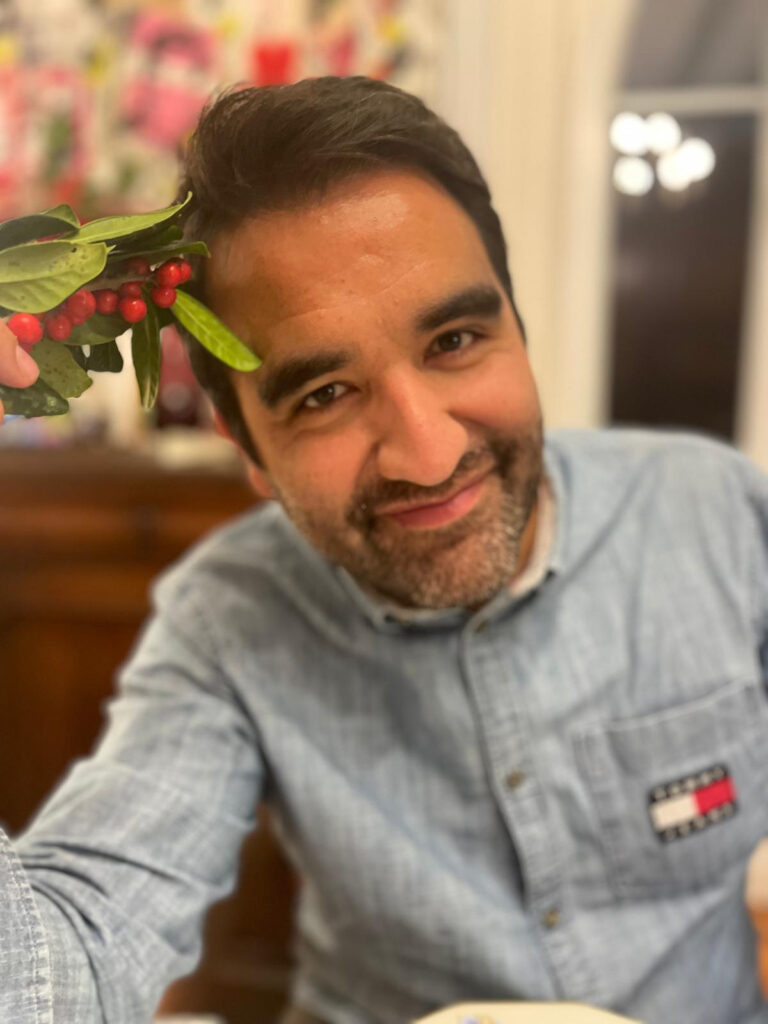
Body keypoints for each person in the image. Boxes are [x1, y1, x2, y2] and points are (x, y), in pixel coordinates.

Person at [2, 76, 768, 1024]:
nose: (430, 453)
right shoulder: (227, 621)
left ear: (518, 327)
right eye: (324, 395)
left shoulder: (715, 515)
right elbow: (62, 970)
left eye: (455, 340)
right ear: (248, 450)